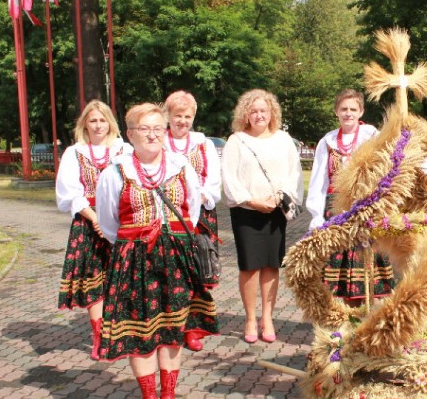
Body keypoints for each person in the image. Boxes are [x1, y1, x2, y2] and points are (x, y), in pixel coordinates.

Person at [95, 103, 219, 399]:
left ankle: (169, 397)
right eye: (144, 129)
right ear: (130, 134)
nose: (152, 135)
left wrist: (170, 238)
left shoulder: (180, 166)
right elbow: (109, 223)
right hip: (134, 260)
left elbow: (192, 211)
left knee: (173, 329)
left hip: (175, 258)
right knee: (142, 331)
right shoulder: (115, 172)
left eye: (157, 129)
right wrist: (136, 241)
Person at [221, 89, 302, 343]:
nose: (259, 115)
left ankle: (267, 317)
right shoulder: (236, 140)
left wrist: (280, 197)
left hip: (275, 211)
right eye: (254, 111)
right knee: (249, 266)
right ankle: (249, 318)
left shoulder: (284, 139)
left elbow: (294, 173)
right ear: (245, 113)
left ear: (272, 113)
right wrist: (252, 201)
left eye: (263, 111)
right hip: (246, 212)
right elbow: (229, 177)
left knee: (271, 265)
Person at [305, 89, 394, 305]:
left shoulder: (371, 136)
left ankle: (364, 317)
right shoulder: (327, 141)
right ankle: (341, 317)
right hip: (336, 209)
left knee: (366, 264)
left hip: (365, 207)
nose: (348, 113)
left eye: (353, 109)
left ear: (361, 111)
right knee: (337, 265)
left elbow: (384, 170)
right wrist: (317, 214)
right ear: (336, 111)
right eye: (343, 109)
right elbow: (319, 179)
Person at [56, 100, 125, 360]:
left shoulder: (122, 150)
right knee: (94, 280)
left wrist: (110, 217)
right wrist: (95, 217)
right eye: (93, 120)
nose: (98, 125)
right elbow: (69, 192)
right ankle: (99, 337)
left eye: (103, 120)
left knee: (118, 279)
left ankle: (116, 332)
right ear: (85, 123)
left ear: (111, 123)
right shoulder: (75, 153)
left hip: (120, 221)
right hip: (88, 223)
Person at [163, 90, 222, 352]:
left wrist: (200, 195)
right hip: (167, 217)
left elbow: (214, 180)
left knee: (198, 274)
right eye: (177, 115)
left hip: (199, 218)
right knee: (169, 274)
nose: (182, 121)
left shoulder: (203, 144)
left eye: (187, 116)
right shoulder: (158, 142)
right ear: (168, 116)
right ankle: (170, 327)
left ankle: (193, 329)